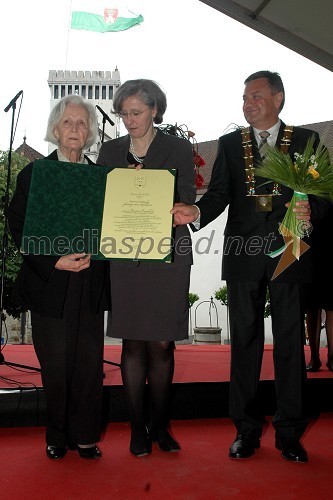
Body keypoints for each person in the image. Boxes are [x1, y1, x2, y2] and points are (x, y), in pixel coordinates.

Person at [172, 70, 331, 463]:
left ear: (279, 99)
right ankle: (245, 430)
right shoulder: (229, 144)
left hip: (291, 249)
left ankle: (290, 432)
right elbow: (221, 194)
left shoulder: (308, 141)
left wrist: (313, 208)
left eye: (256, 96)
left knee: (291, 346)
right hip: (243, 251)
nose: (248, 103)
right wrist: (196, 210)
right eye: (244, 97)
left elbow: (325, 192)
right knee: (243, 343)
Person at [7, 95, 111, 460]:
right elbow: (17, 226)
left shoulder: (103, 179)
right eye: (68, 122)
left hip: (90, 280)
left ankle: (85, 437)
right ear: (55, 129)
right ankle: (56, 435)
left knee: (88, 363)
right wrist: (54, 261)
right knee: (55, 364)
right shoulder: (35, 174)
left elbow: (115, 225)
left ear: (91, 133)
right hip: (50, 280)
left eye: (82, 124)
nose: (75, 130)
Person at [97, 79, 196, 457]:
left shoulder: (178, 148)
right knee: (132, 342)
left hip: (167, 254)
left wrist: (153, 193)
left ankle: (160, 425)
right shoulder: (109, 150)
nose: (129, 120)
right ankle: (137, 428)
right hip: (125, 255)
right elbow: (100, 200)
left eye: (136, 112)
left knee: (161, 343)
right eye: (123, 114)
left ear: (155, 109)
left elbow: (186, 195)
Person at [306, 206, 333, 372]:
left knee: (330, 306)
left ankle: (331, 358)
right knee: (312, 306)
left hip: (327, 245)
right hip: (310, 243)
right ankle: (314, 357)